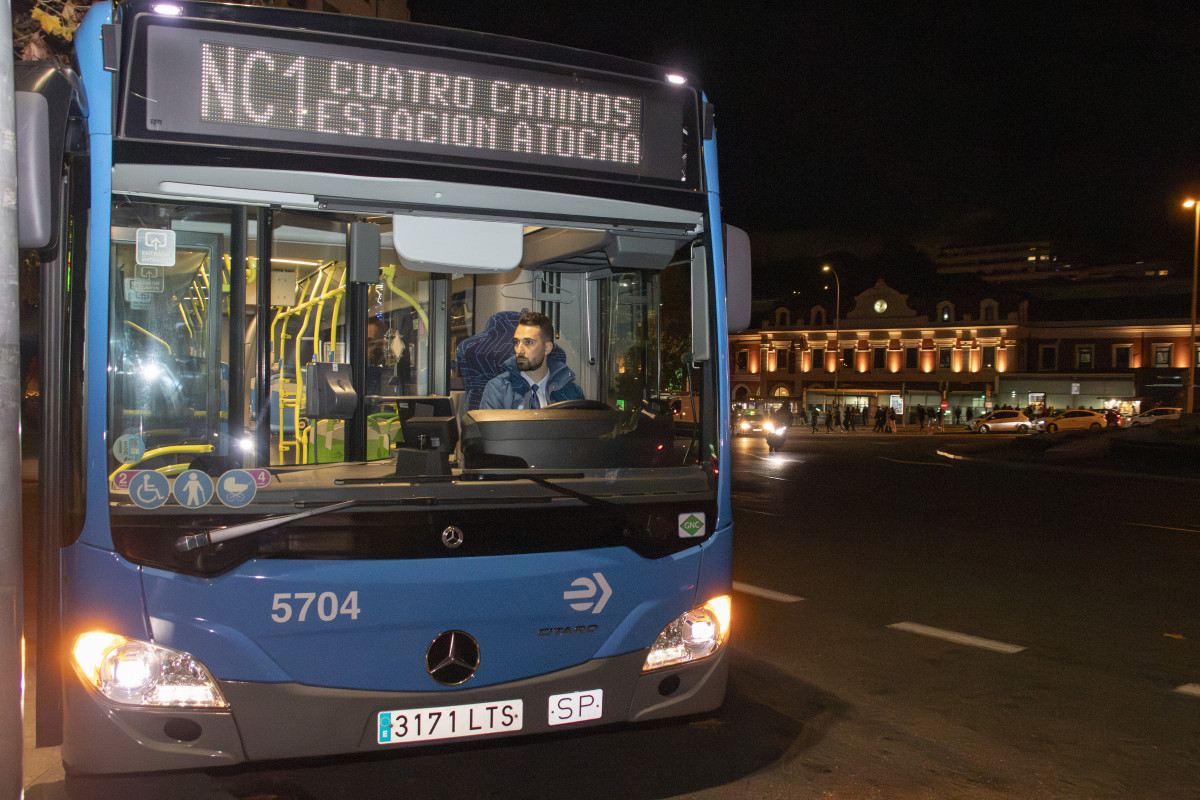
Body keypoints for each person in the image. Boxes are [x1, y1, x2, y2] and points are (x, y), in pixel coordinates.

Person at [479, 311, 584, 410]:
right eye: (516, 342)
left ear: (547, 348)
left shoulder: (572, 393)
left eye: (528, 342)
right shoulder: (498, 389)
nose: (519, 350)